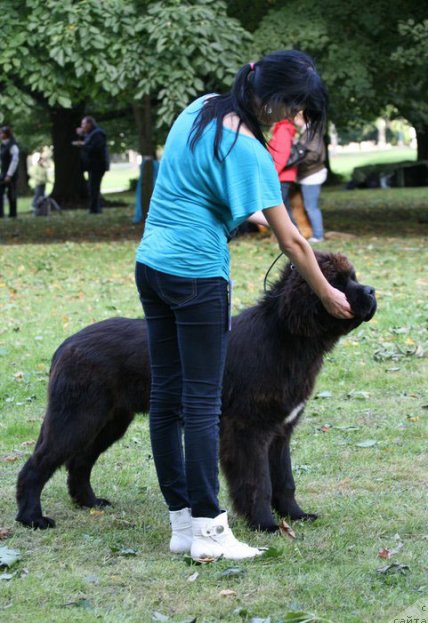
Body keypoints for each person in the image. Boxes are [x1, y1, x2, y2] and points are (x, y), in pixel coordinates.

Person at [134, 50, 353, 562]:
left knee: (167, 397)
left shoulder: (201, 109)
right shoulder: (249, 150)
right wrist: (327, 291)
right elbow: (295, 244)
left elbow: (206, 187)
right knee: (204, 403)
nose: (297, 120)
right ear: (274, 98)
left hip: (151, 265)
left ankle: (183, 525)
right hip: (196, 276)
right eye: (297, 108)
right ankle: (210, 532)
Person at [295, 113, 327, 242]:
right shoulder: (307, 133)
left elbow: (314, 154)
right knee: (310, 206)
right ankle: (316, 233)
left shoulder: (310, 133)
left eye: (296, 117)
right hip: (309, 174)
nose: (294, 120)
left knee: (311, 207)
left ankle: (318, 235)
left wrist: (296, 160)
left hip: (312, 175)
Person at [72, 116, 109, 214]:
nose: (82, 126)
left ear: (89, 124)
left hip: (97, 165)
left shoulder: (98, 134)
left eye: (83, 124)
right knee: (92, 187)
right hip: (91, 166)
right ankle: (94, 208)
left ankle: (95, 209)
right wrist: (82, 136)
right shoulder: (90, 134)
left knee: (94, 187)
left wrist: (82, 145)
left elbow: (96, 148)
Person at [268, 118, 298, 220]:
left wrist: (272, 175)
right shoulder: (282, 129)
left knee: (282, 211)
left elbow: (281, 156)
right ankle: (294, 235)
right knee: (285, 209)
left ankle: (294, 235)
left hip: (281, 176)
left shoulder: (282, 130)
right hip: (283, 176)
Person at [0, 126, 19, 218]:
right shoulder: (3, 145)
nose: (0, 135)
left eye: (2, 133)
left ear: (6, 134)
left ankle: (13, 214)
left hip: (11, 175)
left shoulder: (13, 146)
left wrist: (9, 174)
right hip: (3, 173)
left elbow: (14, 161)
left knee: (11, 194)